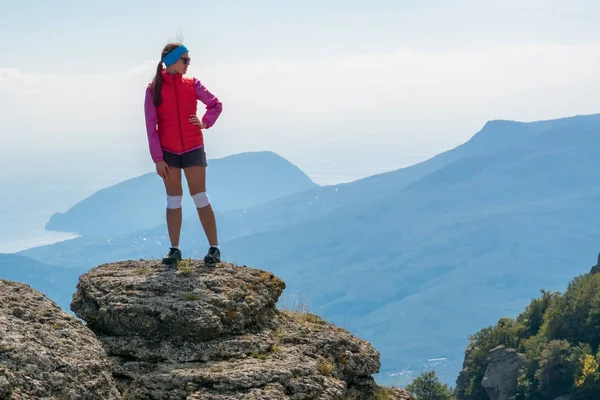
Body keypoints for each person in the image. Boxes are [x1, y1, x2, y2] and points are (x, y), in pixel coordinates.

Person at [144, 42, 223, 266]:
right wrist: (158, 159)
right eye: (184, 60)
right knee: (174, 200)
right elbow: (151, 126)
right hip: (168, 153)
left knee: (200, 197)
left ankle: (214, 249)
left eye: (189, 60)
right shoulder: (153, 89)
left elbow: (215, 105)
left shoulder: (192, 84)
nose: (188, 64)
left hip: (193, 147)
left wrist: (205, 123)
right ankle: (175, 249)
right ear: (172, 61)